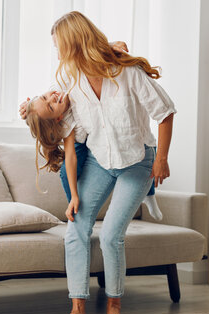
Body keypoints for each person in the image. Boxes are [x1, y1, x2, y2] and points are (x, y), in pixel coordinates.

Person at [22, 10, 175, 314]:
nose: (58, 53)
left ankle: (114, 304)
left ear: (76, 41)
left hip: (138, 162)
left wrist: (161, 159)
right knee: (76, 225)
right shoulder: (68, 79)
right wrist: (74, 196)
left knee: (110, 235)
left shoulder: (127, 72)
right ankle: (78, 308)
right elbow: (46, 110)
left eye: (59, 45)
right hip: (100, 162)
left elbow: (165, 112)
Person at [22, 90, 163, 221]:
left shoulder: (61, 87)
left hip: (101, 131)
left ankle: (149, 195)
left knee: (146, 145)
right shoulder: (66, 123)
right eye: (51, 107)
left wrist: (27, 105)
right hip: (82, 141)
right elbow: (71, 157)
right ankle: (76, 208)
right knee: (66, 172)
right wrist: (74, 195)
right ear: (59, 118)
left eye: (45, 97)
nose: (52, 98)